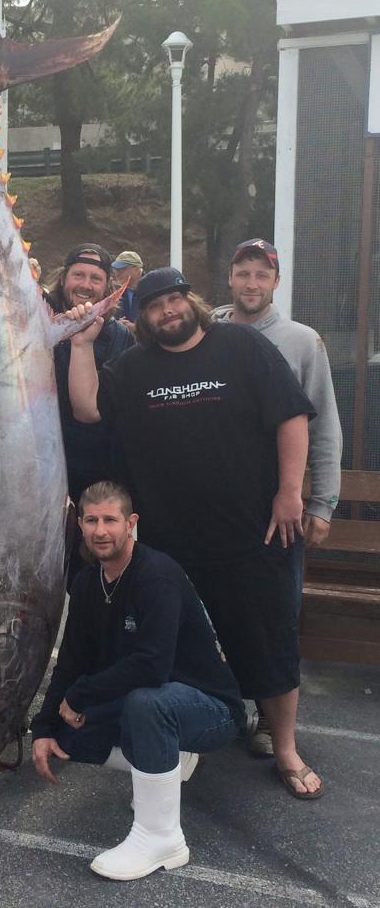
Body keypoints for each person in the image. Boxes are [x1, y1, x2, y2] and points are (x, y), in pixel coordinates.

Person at [66, 267, 324, 800]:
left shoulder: (242, 346)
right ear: (144, 317)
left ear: (192, 301)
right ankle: (177, 737)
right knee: (167, 648)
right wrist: (84, 343)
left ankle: (285, 747)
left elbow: (292, 417)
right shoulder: (133, 366)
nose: (167, 312)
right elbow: (86, 408)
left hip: (253, 533)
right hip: (168, 547)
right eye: (155, 306)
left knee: (269, 639)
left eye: (175, 300)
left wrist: (291, 493)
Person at [32, 481, 244, 881]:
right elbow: (72, 661)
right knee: (67, 737)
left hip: (210, 707)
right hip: (154, 700)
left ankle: (162, 838)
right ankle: (166, 757)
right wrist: (42, 726)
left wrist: (80, 695)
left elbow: (152, 666)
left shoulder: (157, 574)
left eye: (110, 520)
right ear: (79, 525)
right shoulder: (85, 583)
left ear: (131, 523)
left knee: (148, 704)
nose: (101, 530)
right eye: (91, 520)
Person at [214, 238, 343, 758]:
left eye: (261, 275)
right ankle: (228, 707)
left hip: (279, 512)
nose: (251, 284)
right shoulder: (206, 335)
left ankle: (273, 721)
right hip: (217, 509)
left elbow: (326, 426)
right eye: (243, 273)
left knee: (275, 619)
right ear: (230, 277)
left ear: (276, 281)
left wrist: (322, 503)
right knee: (217, 615)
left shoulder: (302, 341)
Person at [46, 244, 135, 506]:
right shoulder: (34, 328)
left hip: (99, 479)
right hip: (39, 466)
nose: (86, 285)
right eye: (78, 275)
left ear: (107, 286)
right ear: (63, 278)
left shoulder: (121, 338)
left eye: (96, 278)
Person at [111, 250, 144, 330]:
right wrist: (116, 324)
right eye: (116, 269)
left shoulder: (152, 290)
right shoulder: (115, 292)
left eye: (122, 269)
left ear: (136, 269)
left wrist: (137, 328)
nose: (117, 273)